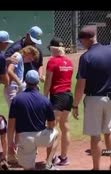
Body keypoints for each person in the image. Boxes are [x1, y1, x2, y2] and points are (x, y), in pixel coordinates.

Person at [72, 26, 111, 170]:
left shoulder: (86, 57)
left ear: (85, 39)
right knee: (109, 131)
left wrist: (75, 105)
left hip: (94, 99)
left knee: (95, 135)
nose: (81, 43)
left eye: (81, 41)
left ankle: (96, 167)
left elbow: (81, 84)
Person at [7, 70, 59, 170]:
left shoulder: (17, 99)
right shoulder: (45, 100)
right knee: (57, 134)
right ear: (37, 82)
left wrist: (11, 142)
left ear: (25, 82)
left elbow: (11, 124)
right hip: (42, 136)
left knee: (28, 168)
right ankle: (48, 164)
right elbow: (52, 124)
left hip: (24, 138)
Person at [43, 37, 74, 166]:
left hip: (57, 96)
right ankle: (64, 157)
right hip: (68, 96)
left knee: (52, 128)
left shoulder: (52, 62)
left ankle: (51, 159)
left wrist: (44, 97)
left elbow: (48, 81)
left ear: (53, 48)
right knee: (65, 126)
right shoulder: (69, 62)